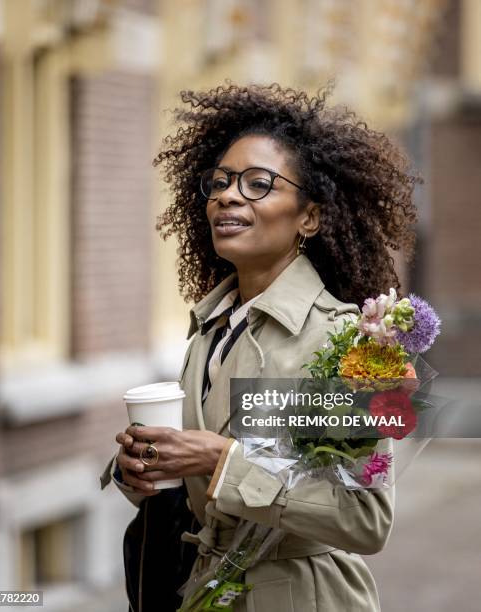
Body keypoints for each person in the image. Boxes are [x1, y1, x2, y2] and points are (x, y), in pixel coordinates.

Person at [100, 83, 419, 611]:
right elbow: (196, 486)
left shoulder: (352, 341)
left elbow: (365, 520)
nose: (228, 195)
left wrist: (222, 460)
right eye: (220, 182)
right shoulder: (210, 326)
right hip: (202, 589)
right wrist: (143, 470)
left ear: (309, 217)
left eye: (258, 184)